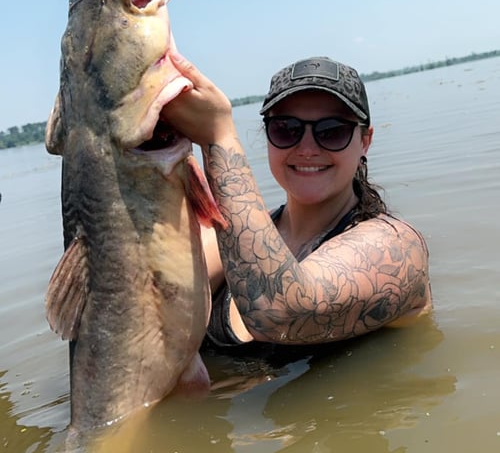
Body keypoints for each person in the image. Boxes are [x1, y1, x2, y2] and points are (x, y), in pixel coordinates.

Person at [165, 54, 432, 348]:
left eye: (332, 132)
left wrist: (218, 137)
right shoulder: (231, 238)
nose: (306, 148)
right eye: (287, 129)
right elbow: (155, 293)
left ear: (364, 141)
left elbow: (282, 313)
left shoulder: (397, 246)